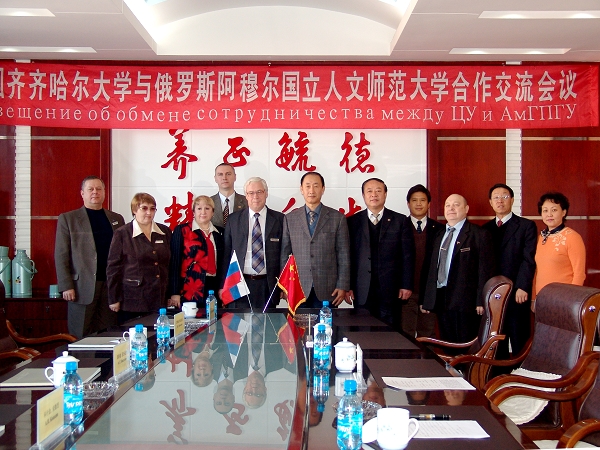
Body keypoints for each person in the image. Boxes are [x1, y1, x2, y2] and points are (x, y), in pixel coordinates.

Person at [54, 176, 125, 338]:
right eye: (90, 189)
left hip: (109, 287)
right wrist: (66, 285)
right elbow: (61, 254)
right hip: (81, 288)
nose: (95, 192)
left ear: (104, 192)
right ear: (82, 193)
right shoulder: (69, 218)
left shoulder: (116, 219)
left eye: (99, 189)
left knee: (108, 335)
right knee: (80, 336)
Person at [422, 194, 494, 344]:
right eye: (447, 205)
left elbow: (484, 271)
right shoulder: (439, 234)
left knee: (465, 343)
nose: (451, 208)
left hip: (466, 301)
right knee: (446, 341)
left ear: (466, 209)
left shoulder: (479, 234)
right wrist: (427, 298)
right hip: (441, 296)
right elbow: (431, 268)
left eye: (456, 205)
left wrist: (481, 300)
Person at [347, 178, 415, 329]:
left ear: (385, 194)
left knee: (389, 331)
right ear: (363, 195)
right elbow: (348, 257)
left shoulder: (400, 221)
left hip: (391, 289)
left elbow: (408, 256)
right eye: (369, 191)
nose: (374, 195)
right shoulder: (353, 221)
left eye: (378, 191)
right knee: (362, 331)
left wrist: (406, 285)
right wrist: (348, 286)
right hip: (362, 288)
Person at [280, 172, 350, 308]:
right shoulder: (290, 218)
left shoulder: (337, 218)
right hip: (298, 288)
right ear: (301, 189)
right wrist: (285, 286)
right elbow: (285, 256)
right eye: (307, 186)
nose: (311, 190)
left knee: (327, 322)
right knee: (299, 322)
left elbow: (343, 254)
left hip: (328, 288)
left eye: (316, 186)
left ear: (323, 189)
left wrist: (342, 285)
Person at [483, 183, 537, 357]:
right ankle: (499, 372)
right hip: (494, 293)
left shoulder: (526, 226)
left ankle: (522, 371)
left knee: (519, 337)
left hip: (516, 292)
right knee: (497, 338)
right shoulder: (484, 229)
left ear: (512, 200)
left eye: (505, 197)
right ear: (491, 202)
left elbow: (528, 259)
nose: (500, 201)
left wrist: (523, 286)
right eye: (496, 197)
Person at [106, 193, 172, 323]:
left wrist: (171, 293)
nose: (149, 212)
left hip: (159, 297)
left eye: (152, 209)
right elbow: (113, 268)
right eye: (144, 208)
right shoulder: (122, 233)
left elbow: (170, 265)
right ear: (134, 210)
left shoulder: (164, 231)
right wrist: (114, 298)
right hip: (133, 299)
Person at [220, 177, 284, 310]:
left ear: (266, 193)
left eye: (259, 192)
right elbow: (226, 255)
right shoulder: (233, 220)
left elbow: (284, 255)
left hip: (268, 285)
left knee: (268, 322)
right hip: (238, 283)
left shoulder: (280, 219)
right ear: (246, 196)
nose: (255, 196)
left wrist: (284, 286)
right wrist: (222, 285)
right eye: (251, 193)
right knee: (238, 323)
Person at [533, 192, 586, 310]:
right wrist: (533, 298)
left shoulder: (572, 237)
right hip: (541, 298)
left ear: (563, 212)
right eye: (545, 210)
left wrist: (572, 300)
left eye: (554, 210)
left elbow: (579, 274)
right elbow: (536, 271)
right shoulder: (540, 238)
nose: (549, 214)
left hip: (564, 300)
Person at [169, 195, 224, 308]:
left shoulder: (220, 233)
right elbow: (175, 263)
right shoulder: (182, 230)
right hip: (189, 287)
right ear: (193, 211)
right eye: (199, 208)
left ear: (213, 212)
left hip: (214, 287)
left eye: (207, 208)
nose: (203, 212)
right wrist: (174, 292)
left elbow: (223, 263)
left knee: (213, 317)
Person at [402, 184, 442, 338]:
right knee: (405, 334)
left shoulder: (439, 229)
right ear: (408, 204)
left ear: (429, 204)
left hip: (429, 291)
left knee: (428, 334)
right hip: (406, 292)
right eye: (414, 200)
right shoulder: (400, 226)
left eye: (423, 200)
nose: (418, 204)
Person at [210, 163, 247, 228]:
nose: (224, 178)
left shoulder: (247, 201)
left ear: (235, 177)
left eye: (228, 174)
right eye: (220, 174)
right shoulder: (209, 203)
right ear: (215, 178)